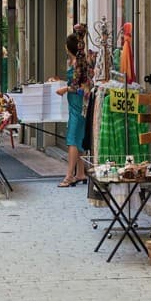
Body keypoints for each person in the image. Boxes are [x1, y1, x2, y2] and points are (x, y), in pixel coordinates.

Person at [56, 24, 92, 188]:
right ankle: (80, 172)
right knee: (77, 137)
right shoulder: (79, 60)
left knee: (72, 138)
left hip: (77, 102)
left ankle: (69, 176)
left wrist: (65, 88)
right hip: (77, 102)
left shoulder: (78, 62)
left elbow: (79, 86)